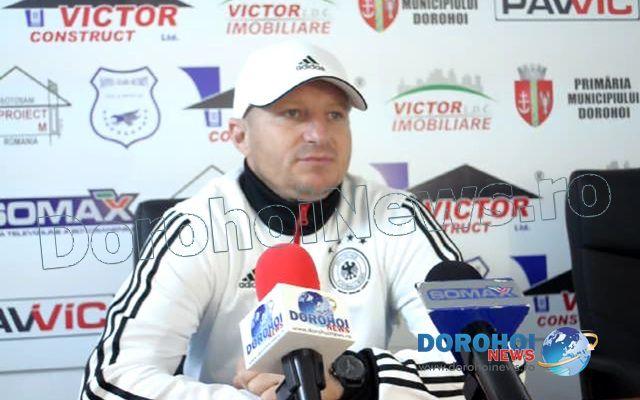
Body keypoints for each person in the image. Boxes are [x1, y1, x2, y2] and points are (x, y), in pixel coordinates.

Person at [79, 40, 521, 400]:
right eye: (293, 113)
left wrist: (355, 379)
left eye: (335, 115)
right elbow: (110, 383)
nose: (320, 134)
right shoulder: (196, 227)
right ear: (239, 135)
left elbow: (496, 361)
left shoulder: (397, 215)